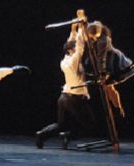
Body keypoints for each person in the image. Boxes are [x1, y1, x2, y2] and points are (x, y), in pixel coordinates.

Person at [82, 20, 134, 118]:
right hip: (103, 62)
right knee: (108, 87)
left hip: (114, 61)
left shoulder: (103, 41)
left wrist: (102, 73)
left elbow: (102, 58)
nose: (93, 38)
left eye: (95, 36)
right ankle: (118, 108)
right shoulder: (89, 31)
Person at [35, 20, 96, 149]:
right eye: (73, 48)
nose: (75, 49)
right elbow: (80, 45)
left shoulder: (64, 60)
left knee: (60, 124)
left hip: (63, 98)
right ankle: (67, 136)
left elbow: (72, 42)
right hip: (75, 98)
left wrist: (73, 30)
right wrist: (81, 28)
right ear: (70, 50)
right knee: (90, 125)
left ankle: (42, 134)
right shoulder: (74, 60)